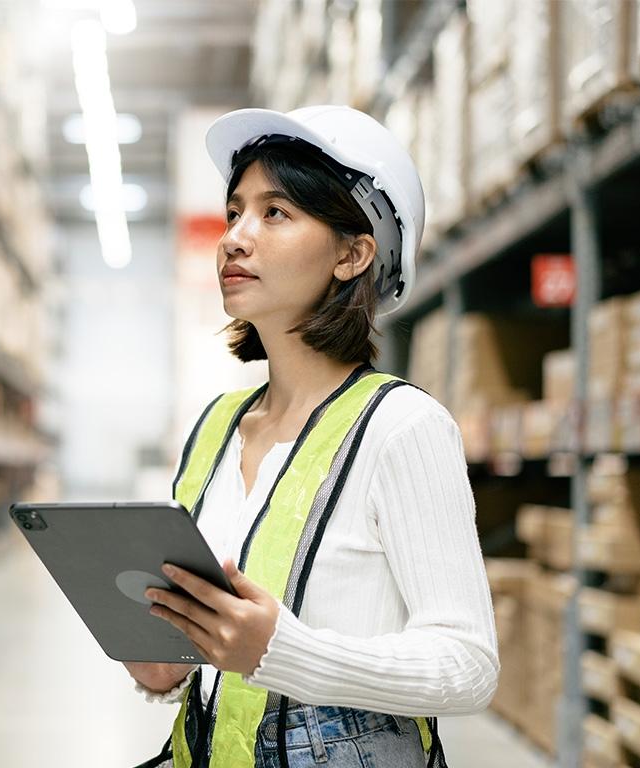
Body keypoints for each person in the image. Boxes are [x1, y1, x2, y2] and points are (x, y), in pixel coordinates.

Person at [124, 105, 500, 768]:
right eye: (235, 209)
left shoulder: (403, 428)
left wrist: (282, 651)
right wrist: (169, 664)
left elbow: (467, 665)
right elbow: (213, 647)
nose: (235, 237)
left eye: (276, 213)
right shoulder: (213, 428)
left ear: (354, 254)